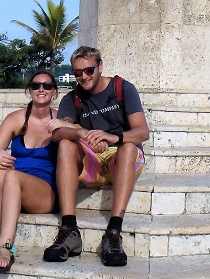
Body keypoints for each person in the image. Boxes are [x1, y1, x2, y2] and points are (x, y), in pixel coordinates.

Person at [44, 46, 149, 267]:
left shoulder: (122, 88)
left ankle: (113, 232)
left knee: (130, 147)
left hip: (121, 160)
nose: (83, 76)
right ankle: (69, 228)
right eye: (78, 72)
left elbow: (142, 132)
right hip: (91, 160)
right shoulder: (73, 98)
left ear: (100, 66)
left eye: (89, 70)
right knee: (65, 144)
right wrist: (82, 132)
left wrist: (112, 137)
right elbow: (58, 132)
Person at [0, 69, 59, 273]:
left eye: (47, 86)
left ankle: (6, 248)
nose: (41, 89)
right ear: (29, 90)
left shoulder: (59, 121)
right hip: (15, 186)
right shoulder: (16, 119)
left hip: (45, 192)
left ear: (54, 92)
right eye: (36, 85)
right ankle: (0, 231)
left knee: (12, 174)